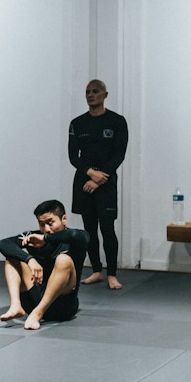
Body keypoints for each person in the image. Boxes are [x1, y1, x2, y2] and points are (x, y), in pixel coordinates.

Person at [68, 79, 129, 290]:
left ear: (105, 95)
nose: (90, 95)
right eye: (87, 92)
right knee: (89, 229)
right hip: (84, 180)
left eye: (95, 91)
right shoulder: (77, 123)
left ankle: (112, 274)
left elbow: (119, 154)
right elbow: (73, 156)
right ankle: (96, 270)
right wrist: (90, 173)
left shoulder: (117, 121)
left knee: (107, 228)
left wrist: (100, 178)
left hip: (106, 181)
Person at [0, 200, 87, 330]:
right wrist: (30, 259)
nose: (46, 229)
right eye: (41, 224)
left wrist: (45, 239)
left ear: (64, 219)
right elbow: (3, 243)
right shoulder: (34, 237)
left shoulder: (76, 238)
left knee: (63, 260)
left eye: (50, 223)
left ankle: (38, 313)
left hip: (63, 307)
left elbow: (77, 235)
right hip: (33, 301)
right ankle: (16, 305)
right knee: (12, 257)